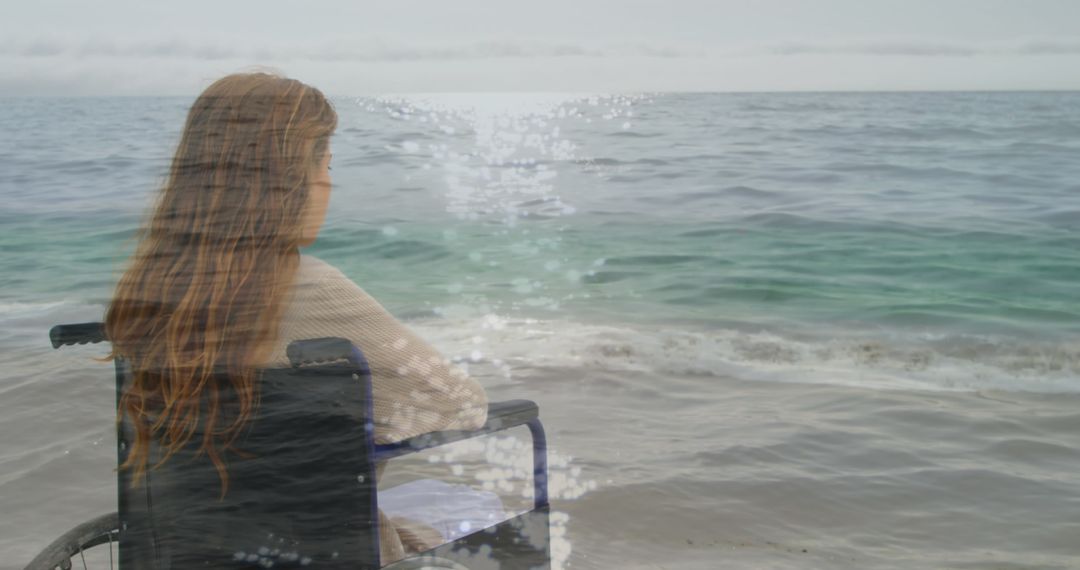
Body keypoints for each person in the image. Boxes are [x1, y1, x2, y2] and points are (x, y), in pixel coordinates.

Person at [102, 71, 488, 565]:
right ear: (286, 180)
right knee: (476, 506)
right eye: (324, 163)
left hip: (189, 548)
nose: (328, 182)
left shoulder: (149, 289)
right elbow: (460, 405)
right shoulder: (312, 289)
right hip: (322, 548)